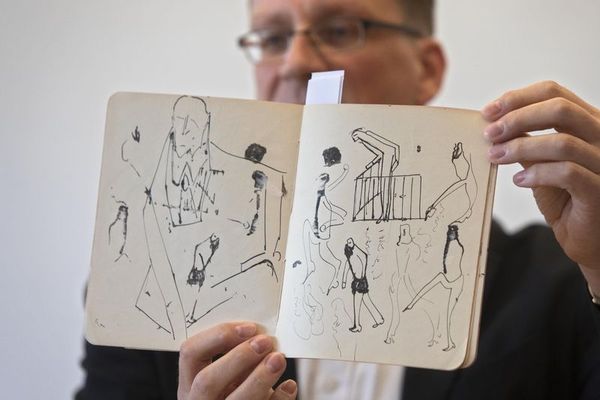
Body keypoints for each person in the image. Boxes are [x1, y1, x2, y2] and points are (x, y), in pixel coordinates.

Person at [76, 0, 600, 399]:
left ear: (427, 68)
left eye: (339, 29)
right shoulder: (139, 289)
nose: (296, 61)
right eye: (273, 37)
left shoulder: (567, 278)